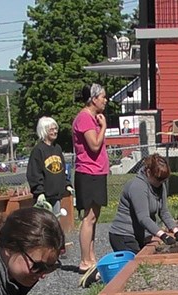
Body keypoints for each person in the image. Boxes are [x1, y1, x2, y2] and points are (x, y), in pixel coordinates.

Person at [72, 83, 109, 277]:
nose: (105, 100)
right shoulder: (85, 118)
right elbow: (94, 145)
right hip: (88, 173)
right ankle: (85, 261)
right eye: (103, 97)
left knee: (94, 217)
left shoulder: (92, 118)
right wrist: (103, 127)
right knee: (88, 218)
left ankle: (92, 258)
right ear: (93, 99)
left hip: (97, 172)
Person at [107, 154, 177, 255]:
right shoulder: (137, 186)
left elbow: (164, 212)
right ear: (148, 172)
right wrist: (163, 236)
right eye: (158, 179)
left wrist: (175, 231)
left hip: (141, 236)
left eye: (163, 180)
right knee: (137, 264)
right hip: (124, 235)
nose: (161, 182)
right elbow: (143, 218)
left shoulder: (159, 185)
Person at [26, 116, 70, 218]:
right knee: (44, 225)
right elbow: (34, 173)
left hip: (56, 196)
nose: (55, 132)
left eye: (56, 129)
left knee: (55, 223)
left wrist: (67, 184)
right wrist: (39, 192)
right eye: (51, 129)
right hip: (44, 198)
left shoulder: (57, 148)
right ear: (44, 131)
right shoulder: (38, 150)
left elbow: (62, 169)